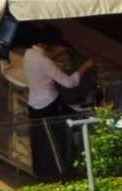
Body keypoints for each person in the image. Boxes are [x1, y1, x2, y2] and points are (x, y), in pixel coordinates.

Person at [22, 24, 95, 180]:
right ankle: (63, 173)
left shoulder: (29, 53)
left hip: (34, 104)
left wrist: (57, 54)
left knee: (40, 142)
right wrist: (85, 66)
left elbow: (42, 62)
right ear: (49, 44)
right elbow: (69, 82)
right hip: (49, 104)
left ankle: (41, 173)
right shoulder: (45, 62)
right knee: (58, 141)